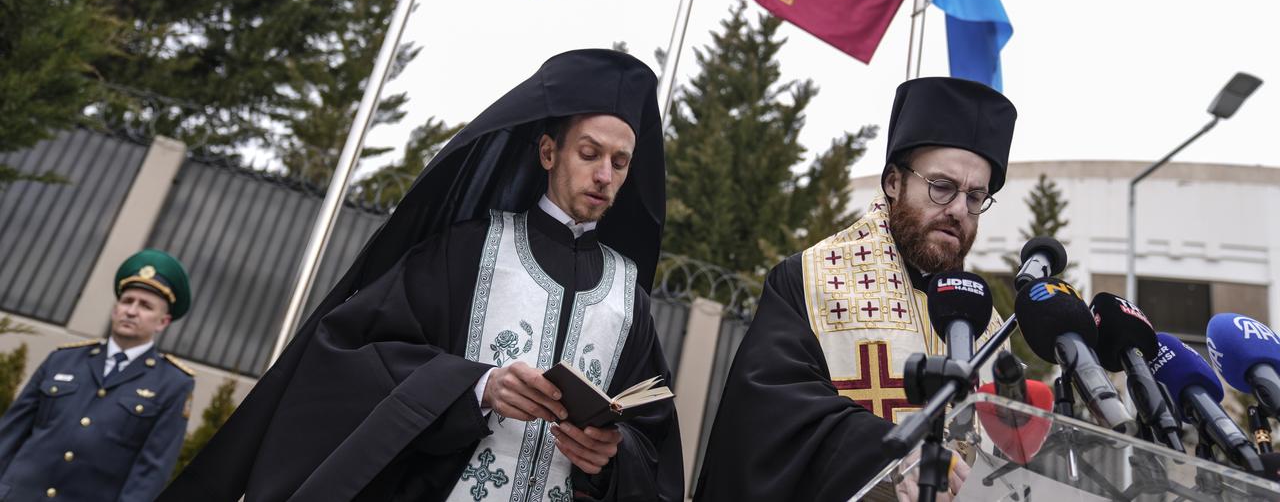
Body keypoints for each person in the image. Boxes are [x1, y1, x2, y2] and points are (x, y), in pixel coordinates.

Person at [162, 49, 682, 502]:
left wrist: (614, 456)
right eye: (589, 153)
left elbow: (651, 440)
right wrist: (478, 386)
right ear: (549, 152)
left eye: (619, 162)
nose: (603, 175)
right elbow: (355, 355)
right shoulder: (470, 249)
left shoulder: (626, 294)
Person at [694, 76, 1017, 502]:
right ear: (893, 183)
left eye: (975, 197)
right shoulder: (811, 281)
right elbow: (769, 419)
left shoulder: (988, 327)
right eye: (942, 187)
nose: (959, 210)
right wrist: (893, 453)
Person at [0, 249, 196, 501]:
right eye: (127, 301)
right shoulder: (62, 359)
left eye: (145, 306)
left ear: (162, 322)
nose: (132, 311)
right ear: (115, 309)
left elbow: (150, 472)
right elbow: (11, 433)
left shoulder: (173, 384)